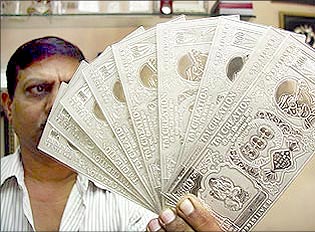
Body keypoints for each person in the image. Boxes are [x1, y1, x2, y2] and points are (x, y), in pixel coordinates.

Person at [1, 36, 221, 231]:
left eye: (74, 88)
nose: (58, 104)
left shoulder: (136, 197)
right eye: (39, 89)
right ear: (8, 106)